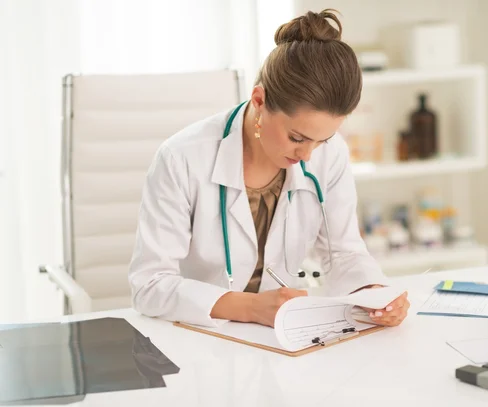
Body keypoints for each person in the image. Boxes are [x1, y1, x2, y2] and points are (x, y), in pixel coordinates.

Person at [128, 9, 410, 329]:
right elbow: (149, 285)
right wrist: (251, 308)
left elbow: (343, 252)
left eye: (322, 140)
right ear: (259, 100)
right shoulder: (182, 159)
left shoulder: (330, 154)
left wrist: (374, 294)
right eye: (297, 137)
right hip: (199, 333)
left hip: (282, 334)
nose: (306, 155)